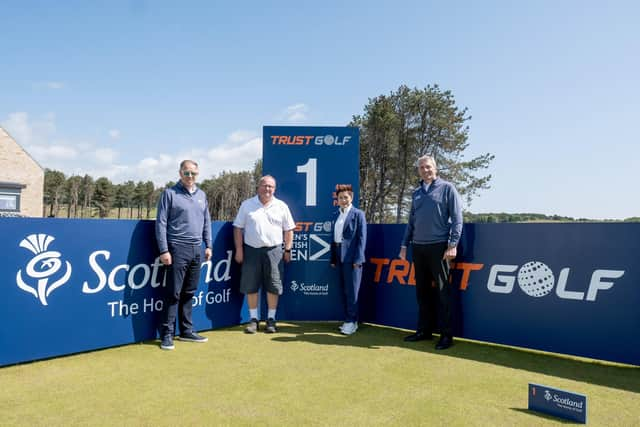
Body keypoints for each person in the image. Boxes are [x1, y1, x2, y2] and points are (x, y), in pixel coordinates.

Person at [399, 155, 462, 350]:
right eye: (421, 168)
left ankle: (446, 336)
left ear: (435, 168)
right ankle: (424, 331)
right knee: (422, 292)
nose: (425, 170)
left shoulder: (447, 188)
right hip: (418, 247)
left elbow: (457, 218)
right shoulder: (417, 193)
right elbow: (411, 222)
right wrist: (404, 245)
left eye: (428, 167)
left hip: (439, 247)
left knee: (443, 293)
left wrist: (452, 244)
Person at [155, 160, 212, 350]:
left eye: (193, 173)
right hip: (177, 248)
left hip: (197, 249)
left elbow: (206, 222)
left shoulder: (202, 195)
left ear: (198, 174)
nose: (190, 177)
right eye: (186, 173)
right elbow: (161, 223)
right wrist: (164, 250)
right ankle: (167, 335)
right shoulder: (170, 194)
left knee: (189, 292)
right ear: (180, 173)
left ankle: (187, 331)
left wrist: (208, 245)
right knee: (174, 293)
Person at [233, 175, 295, 334]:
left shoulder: (281, 206)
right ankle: (253, 320)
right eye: (265, 185)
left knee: (273, 286)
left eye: (271, 187)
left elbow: (288, 230)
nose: (267, 189)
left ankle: (271, 319)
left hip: (274, 251)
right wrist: (239, 250)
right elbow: (238, 228)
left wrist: (287, 249)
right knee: (251, 285)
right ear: (258, 187)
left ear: (274, 189)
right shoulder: (247, 205)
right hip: (251, 250)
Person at [330, 184, 367, 336]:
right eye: (340, 198)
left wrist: (358, 259)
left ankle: (352, 322)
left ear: (351, 198)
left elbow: (361, 238)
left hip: (352, 258)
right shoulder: (337, 215)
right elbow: (334, 239)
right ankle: (348, 320)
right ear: (337, 200)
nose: (343, 200)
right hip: (339, 256)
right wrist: (333, 257)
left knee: (352, 291)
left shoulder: (358, 214)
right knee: (344, 290)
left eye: (346, 197)